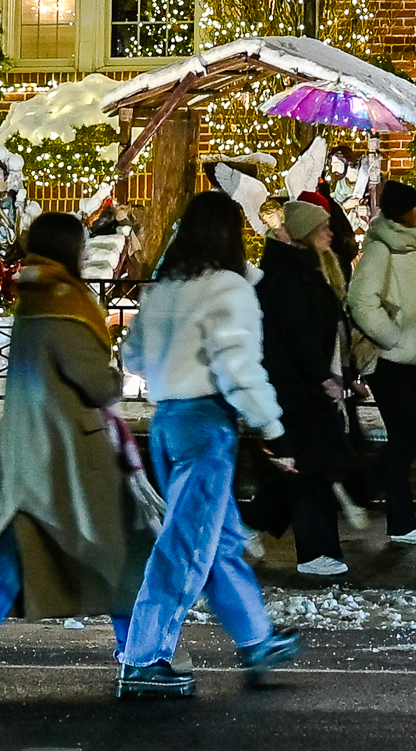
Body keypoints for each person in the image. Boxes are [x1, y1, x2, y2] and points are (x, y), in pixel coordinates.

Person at [0, 212, 150, 693]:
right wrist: (117, 368)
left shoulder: (36, 293)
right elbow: (98, 383)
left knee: (23, 558)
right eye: (83, 243)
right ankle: (142, 653)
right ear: (69, 247)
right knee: (119, 550)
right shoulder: (65, 301)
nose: (88, 252)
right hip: (70, 454)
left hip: (39, 447)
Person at [114, 190, 301, 700]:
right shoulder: (227, 289)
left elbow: (132, 358)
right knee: (189, 546)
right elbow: (238, 364)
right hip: (207, 423)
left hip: (168, 422)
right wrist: (272, 426)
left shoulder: (163, 288)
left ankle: (256, 638)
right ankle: (145, 657)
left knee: (211, 540)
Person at [346, 180, 416, 548]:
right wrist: (391, 336)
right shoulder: (381, 249)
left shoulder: (415, 245)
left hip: (410, 357)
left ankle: (360, 487)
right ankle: (400, 519)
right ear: (402, 211)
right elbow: (361, 301)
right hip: (387, 359)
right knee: (406, 436)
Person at [258, 198, 354, 577]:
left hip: (307, 384)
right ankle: (313, 551)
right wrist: (323, 377)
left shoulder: (311, 269)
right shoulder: (291, 276)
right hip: (296, 387)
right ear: (305, 234)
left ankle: (313, 545)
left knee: (312, 466)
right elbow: (299, 334)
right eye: (322, 228)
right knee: (308, 468)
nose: (330, 233)